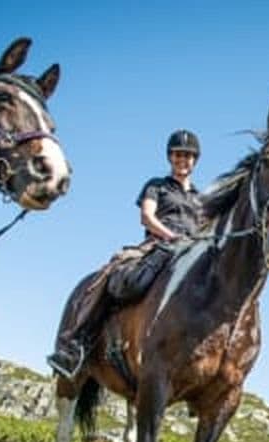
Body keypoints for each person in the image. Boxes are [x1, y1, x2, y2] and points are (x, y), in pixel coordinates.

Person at [47, 129, 202, 378]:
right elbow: (147, 217)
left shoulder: (200, 198)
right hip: (159, 245)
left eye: (188, 156)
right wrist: (171, 236)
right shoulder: (156, 186)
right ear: (170, 158)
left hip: (191, 254)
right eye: (177, 155)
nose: (182, 160)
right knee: (117, 276)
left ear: (195, 161)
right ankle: (78, 343)